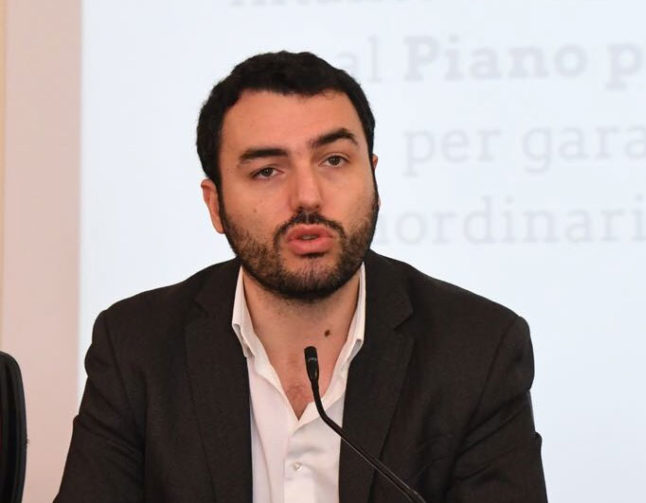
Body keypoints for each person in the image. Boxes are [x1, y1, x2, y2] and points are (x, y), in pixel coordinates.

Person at [55, 51, 547, 503]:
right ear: (215, 204)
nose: (308, 196)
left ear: (373, 177)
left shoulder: (477, 349)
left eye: (334, 160)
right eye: (267, 171)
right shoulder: (137, 346)